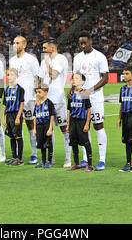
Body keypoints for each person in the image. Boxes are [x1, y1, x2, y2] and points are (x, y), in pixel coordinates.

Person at [72, 31, 109, 171]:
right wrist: (73, 89)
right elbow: (76, 77)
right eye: (80, 43)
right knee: (82, 127)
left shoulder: (99, 56)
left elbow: (105, 78)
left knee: (98, 126)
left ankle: (102, 159)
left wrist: (91, 89)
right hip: (81, 97)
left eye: (85, 43)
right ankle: (85, 158)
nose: (82, 45)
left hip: (95, 97)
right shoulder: (77, 58)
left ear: (90, 41)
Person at [38, 39, 71, 167]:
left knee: (64, 128)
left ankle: (68, 158)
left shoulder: (61, 59)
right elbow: (40, 79)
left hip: (57, 99)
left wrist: (47, 63)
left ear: (52, 48)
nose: (43, 50)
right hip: (45, 100)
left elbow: (53, 75)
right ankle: (49, 159)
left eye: (45, 48)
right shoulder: (43, 61)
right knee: (47, 130)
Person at [9, 36, 40, 165]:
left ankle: (34, 154)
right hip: (15, 98)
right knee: (15, 126)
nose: (15, 45)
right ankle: (17, 156)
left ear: (24, 44)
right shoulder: (11, 60)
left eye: (17, 43)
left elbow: (38, 78)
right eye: (14, 43)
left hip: (29, 97)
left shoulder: (31, 59)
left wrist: (38, 96)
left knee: (30, 124)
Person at [66, 73, 93, 172]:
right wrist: (68, 124)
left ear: (82, 82)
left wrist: (87, 124)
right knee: (73, 142)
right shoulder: (70, 94)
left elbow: (89, 109)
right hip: (73, 121)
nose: (74, 80)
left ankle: (90, 165)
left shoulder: (84, 93)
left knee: (85, 142)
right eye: (73, 79)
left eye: (77, 79)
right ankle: (76, 164)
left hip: (81, 121)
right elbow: (69, 110)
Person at [2, 68, 25, 167]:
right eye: (8, 75)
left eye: (11, 75)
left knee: (18, 136)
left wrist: (18, 117)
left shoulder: (20, 89)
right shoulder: (6, 89)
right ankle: (14, 157)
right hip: (9, 115)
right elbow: (4, 104)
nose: (9, 77)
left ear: (16, 76)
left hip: (16, 114)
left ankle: (19, 159)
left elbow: (21, 104)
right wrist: (3, 117)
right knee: (11, 136)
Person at [33, 86, 56, 169]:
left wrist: (50, 128)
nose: (37, 94)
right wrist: (34, 129)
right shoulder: (36, 104)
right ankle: (43, 161)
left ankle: (49, 161)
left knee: (48, 144)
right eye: (36, 92)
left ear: (46, 92)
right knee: (41, 143)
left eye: (39, 92)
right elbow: (35, 116)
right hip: (39, 126)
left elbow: (52, 116)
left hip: (46, 125)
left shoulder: (49, 103)